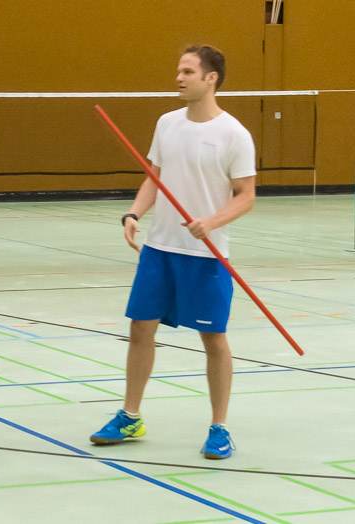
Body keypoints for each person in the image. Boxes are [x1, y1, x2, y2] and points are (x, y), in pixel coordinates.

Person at [90, 45, 257, 459]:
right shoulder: (167, 123)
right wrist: (133, 213)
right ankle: (130, 416)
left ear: (211, 78)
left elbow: (246, 195)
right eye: (178, 70)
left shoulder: (234, 134)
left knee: (213, 339)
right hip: (159, 248)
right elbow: (155, 177)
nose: (178, 78)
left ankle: (219, 428)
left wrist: (211, 222)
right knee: (140, 329)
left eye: (187, 71)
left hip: (205, 254)